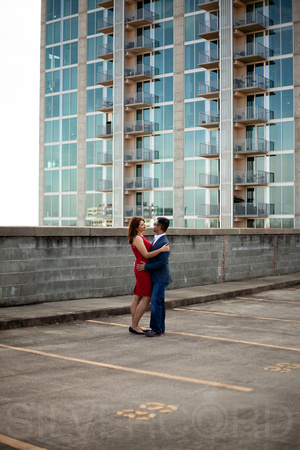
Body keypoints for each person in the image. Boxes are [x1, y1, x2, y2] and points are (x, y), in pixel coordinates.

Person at [127, 217, 170, 335]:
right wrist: (161, 249)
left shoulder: (140, 237)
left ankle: (134, 324)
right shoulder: (137, 238)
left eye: (144, 223)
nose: (145, 225)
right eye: (142, 224)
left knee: (138, 297)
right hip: (143, 269)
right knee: (146, 298)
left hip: (142, 267)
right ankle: (134, 325)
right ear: (136, 227)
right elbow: (146, 254)